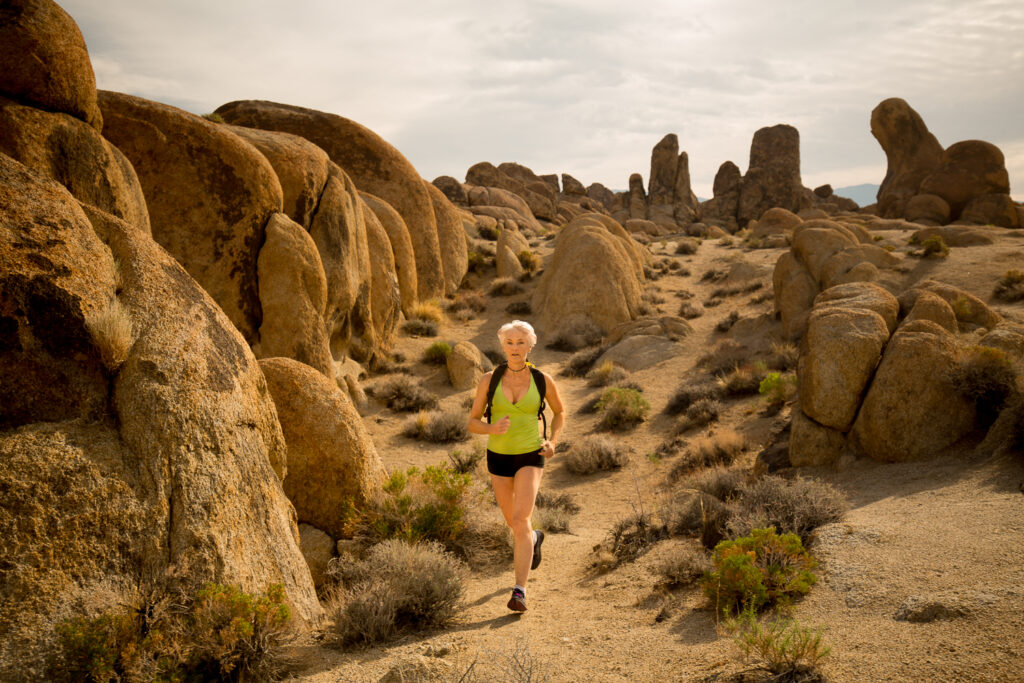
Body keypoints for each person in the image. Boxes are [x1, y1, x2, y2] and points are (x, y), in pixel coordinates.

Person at [467, 320, 564, 612]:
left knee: (521, 519)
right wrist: (491, 429)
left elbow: (560, 412)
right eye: (509, 342)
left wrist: (552, 442)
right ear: (502, 346)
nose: (515, 348)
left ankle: (519, 591)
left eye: (520, 342)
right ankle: (534, 539)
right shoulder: (489, 380)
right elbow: (472, 422)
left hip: (530, 454)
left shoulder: (542, 379)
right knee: (515, 524)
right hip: (498, 457)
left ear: (530, 345)